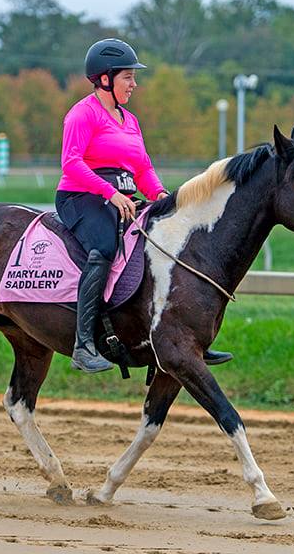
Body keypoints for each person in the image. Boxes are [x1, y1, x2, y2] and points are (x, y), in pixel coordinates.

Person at [56, 38, 232, 373]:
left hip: (122, 201)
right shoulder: (81, 114)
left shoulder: (131, 121)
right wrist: (110, 193)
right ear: (104, 79)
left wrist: (162, 196)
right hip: (81, 199)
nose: (134, 84)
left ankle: (182, 338)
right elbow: (71, 163)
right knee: (105, 248)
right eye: (128, 77)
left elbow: (143, 169)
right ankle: (83, 344)